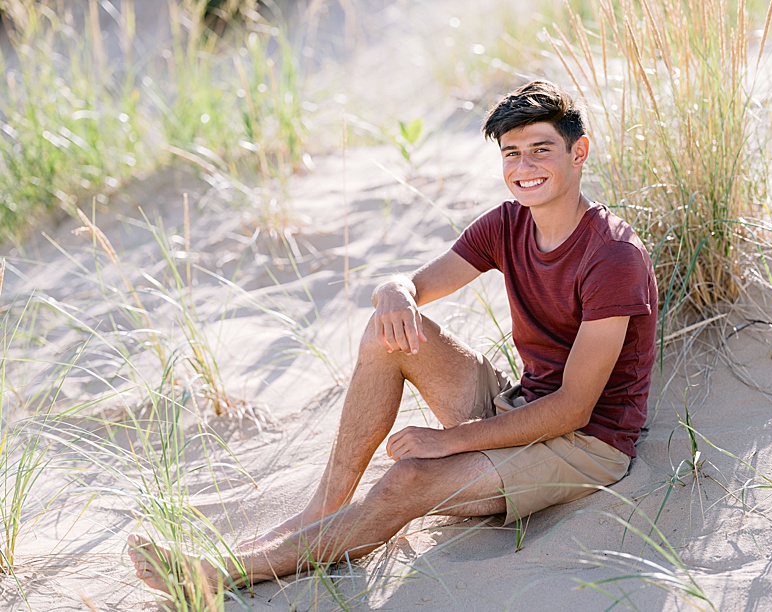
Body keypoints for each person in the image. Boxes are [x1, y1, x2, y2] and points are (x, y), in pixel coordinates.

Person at [129, 80, 658, 594]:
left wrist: (446, 442)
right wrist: (393, 288)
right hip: (519, 404)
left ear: (578, 151)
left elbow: (572, 408)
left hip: (587, 443)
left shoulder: (613, 256)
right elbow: (419, 284)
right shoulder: (507, 224)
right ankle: (324, 511)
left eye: (541, 150)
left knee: (409, 478)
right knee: (389, 331)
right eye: (511, 153)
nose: (524, 168)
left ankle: (228, 571)